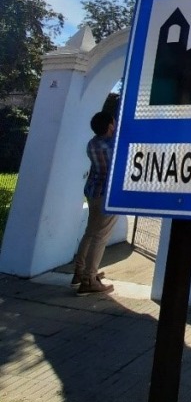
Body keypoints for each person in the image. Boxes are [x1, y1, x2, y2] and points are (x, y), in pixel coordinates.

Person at [72, 111, 118, 295]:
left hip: (92, 191)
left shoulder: (92, 143)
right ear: (109, 127)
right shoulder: (112, 145)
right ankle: (90, 279)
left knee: (90, 232)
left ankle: (79, 271)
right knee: (100, 236)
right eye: (113, 123)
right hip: (107, 194)